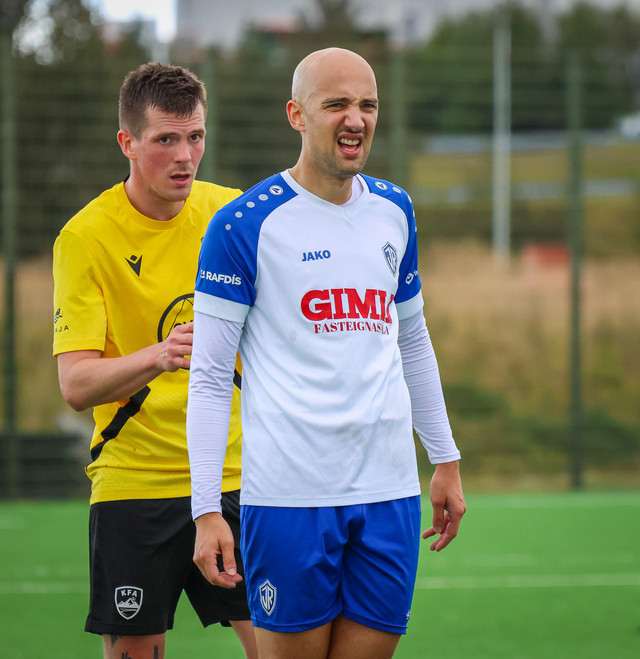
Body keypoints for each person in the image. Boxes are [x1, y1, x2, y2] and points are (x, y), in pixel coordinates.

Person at [187, 48, 466, 659]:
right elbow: (208, 378)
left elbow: (413, 341)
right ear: (296, 115)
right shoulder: (242, 226)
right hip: (289, 500)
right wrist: (206, 509)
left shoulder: (395, 209)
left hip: (390, 493)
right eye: (336, 104)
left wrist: (444, 458)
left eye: (368, 105)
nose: (356, 120)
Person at [52, 62, 257, 659]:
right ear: (128, 142)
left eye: (195, 136)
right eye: (165, 139)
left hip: (237, 475)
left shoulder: (233, 216)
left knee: (283, 649)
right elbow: (76, 384)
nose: (184, 156)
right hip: (135, 481)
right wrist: (161, 355)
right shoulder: (86, 237)